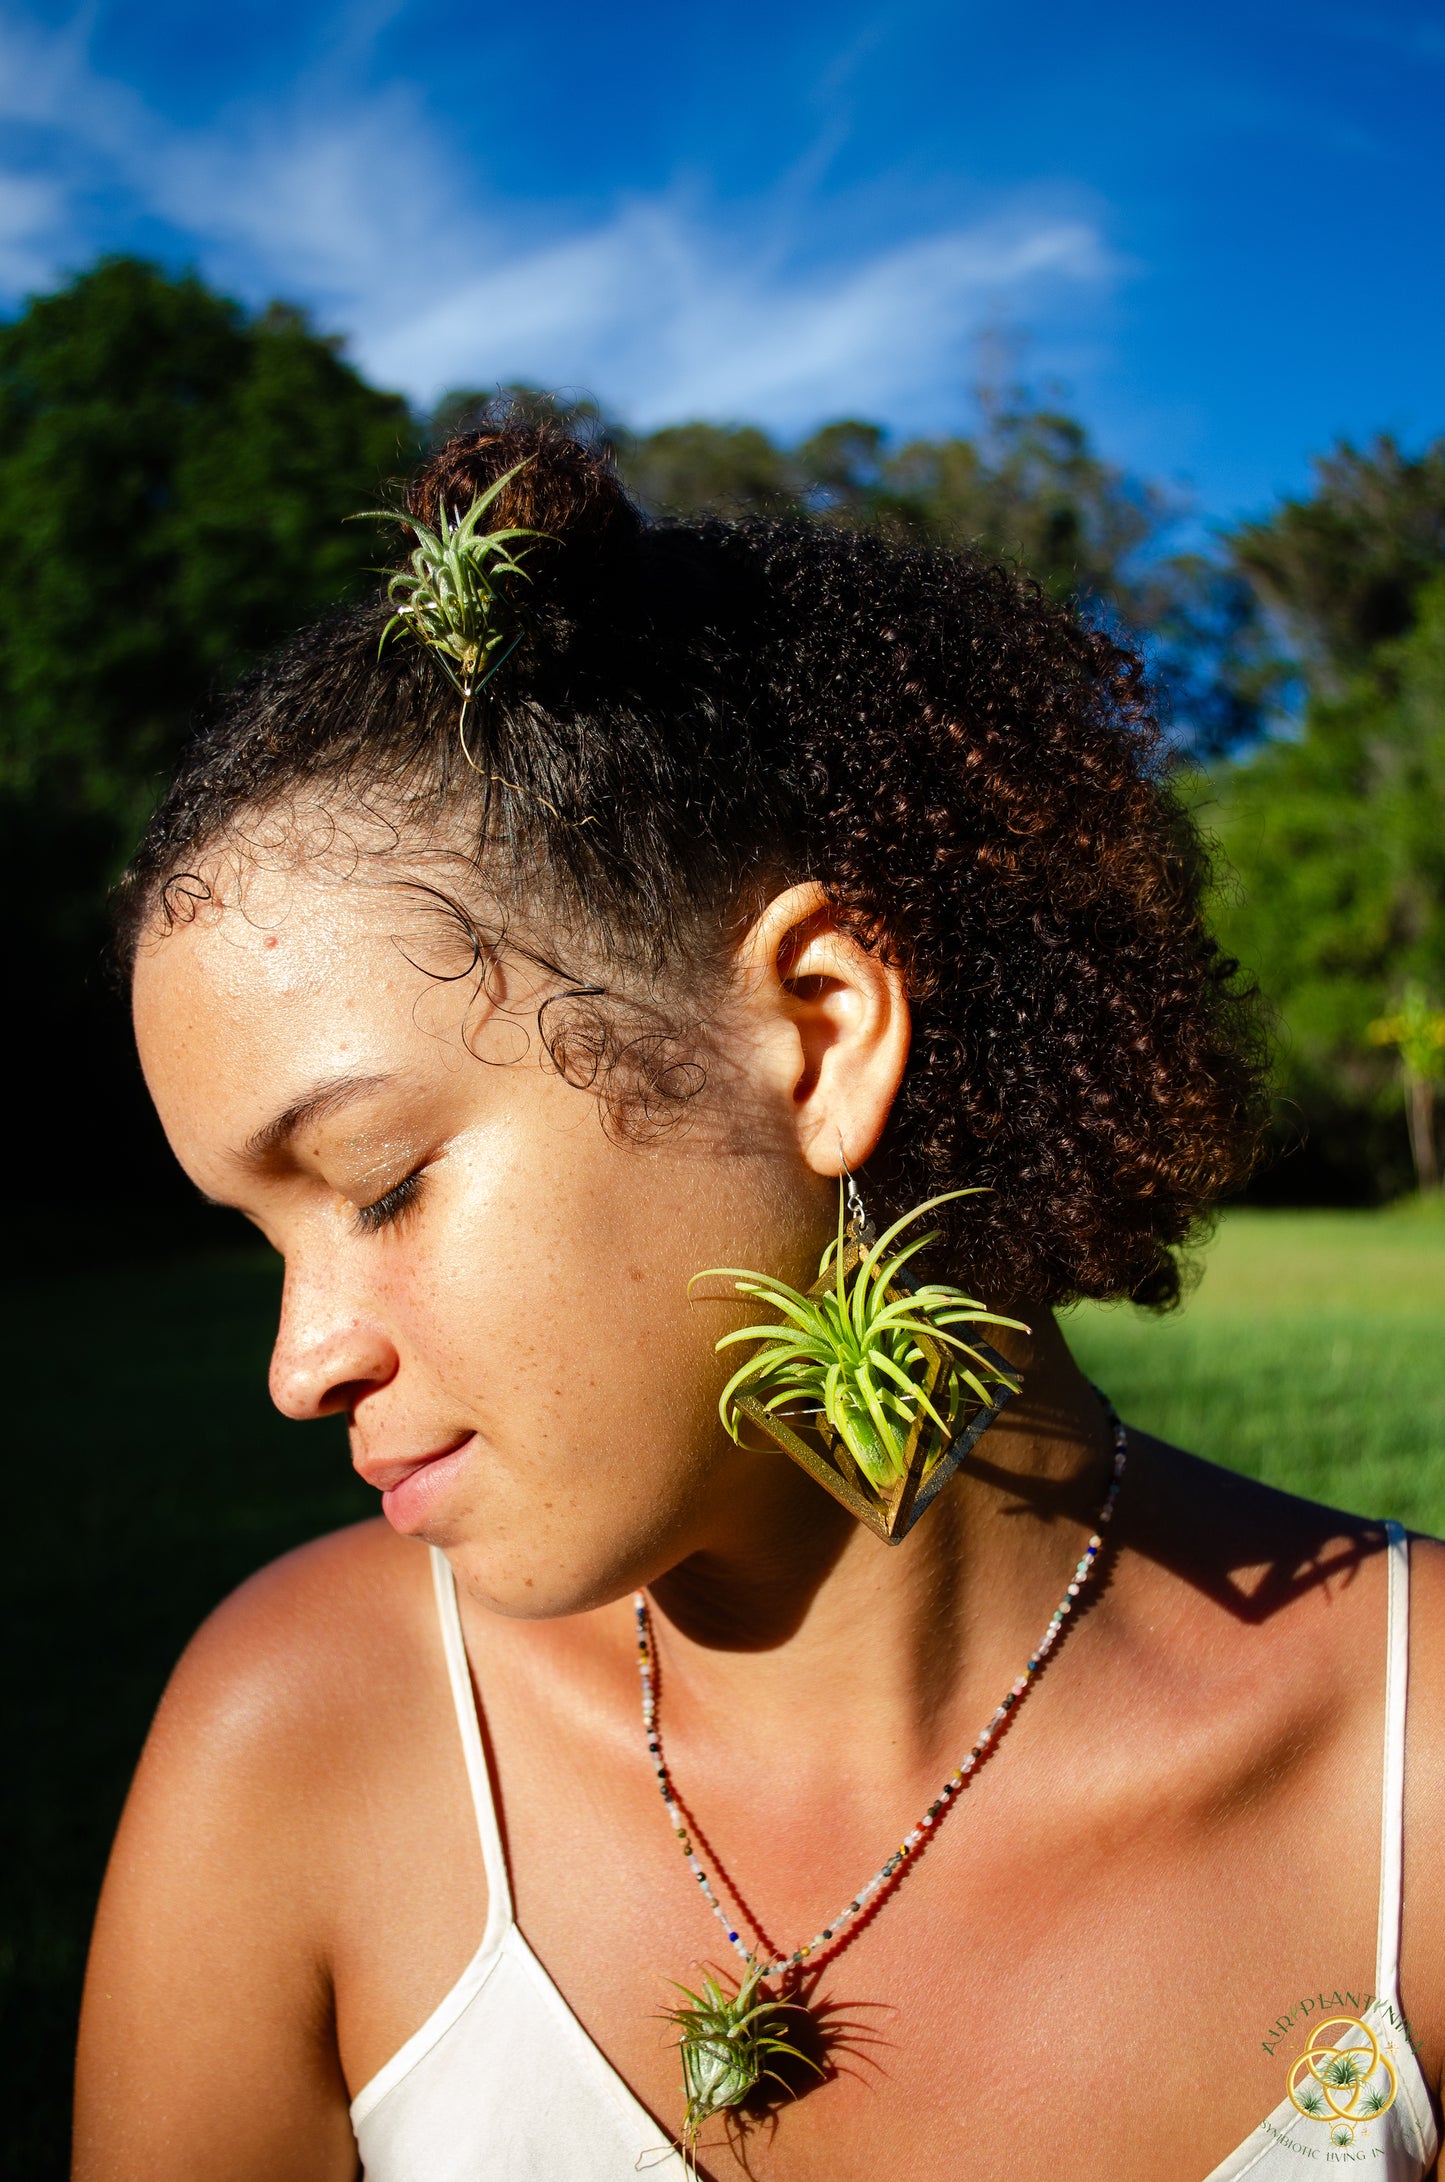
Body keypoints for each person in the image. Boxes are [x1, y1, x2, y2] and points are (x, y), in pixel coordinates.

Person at [76, 420, 1443, 2181]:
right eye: (264, 1235)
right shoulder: (299, 1744)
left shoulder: (1411, 1783)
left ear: (813, 1030)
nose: (300, 1363)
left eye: (381, 1179)